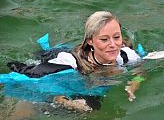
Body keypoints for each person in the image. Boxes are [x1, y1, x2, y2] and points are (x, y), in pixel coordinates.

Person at [7, 11, 143, 110]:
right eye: (104, 39)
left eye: (117, 37)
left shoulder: (126, 55)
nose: (113, 45)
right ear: (90, 40)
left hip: (93, 76)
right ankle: (46, 47)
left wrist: (134, 83)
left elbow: (140, 71)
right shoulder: (68, 62)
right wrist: (63, 101)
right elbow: (29, 75)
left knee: (92, 108)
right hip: (60, 55)